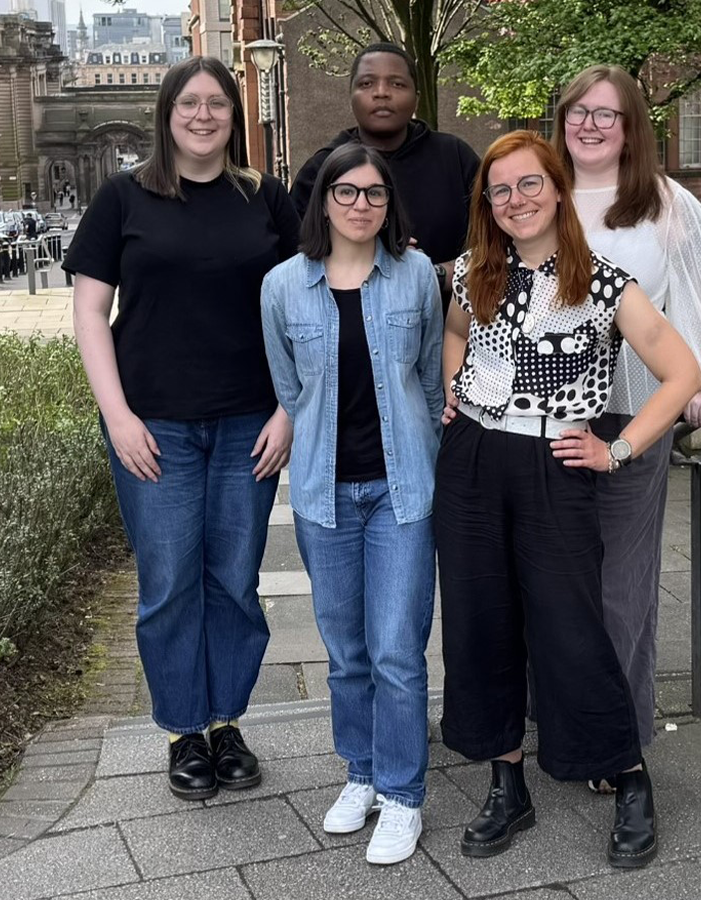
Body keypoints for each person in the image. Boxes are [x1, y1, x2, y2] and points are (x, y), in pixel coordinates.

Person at [435, 130, 700, 868]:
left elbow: (681, 374)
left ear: (556, 189)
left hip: (557, 461)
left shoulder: (605, 283)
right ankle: (505, 781)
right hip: (473, 463)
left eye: (529, 185)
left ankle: (627, 774)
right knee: (480, 623)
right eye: (500, 190)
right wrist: (455, 387)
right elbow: (456, 335)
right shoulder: (469, 274)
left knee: (571, 628)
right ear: (486, 203)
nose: (515, 200)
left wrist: (616, 449)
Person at [61, 56, 299, 803]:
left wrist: (289, 412)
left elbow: (308, 311)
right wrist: (118, 416)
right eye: (189, 103)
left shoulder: (267, 199)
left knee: (234, 583)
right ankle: (182, 731)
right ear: (167, 115)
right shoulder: (123, 197)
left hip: (246, 426)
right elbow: (89, 316)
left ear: (235, 115)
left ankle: (226, 722)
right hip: (153, 427)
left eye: (217, 104)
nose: (203, 116)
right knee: (168, 587)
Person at [553, 65, 701, 788]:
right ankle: (561, 719)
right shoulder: (540, 191)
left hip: (637, 414)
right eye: (579, 112)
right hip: (543, 418)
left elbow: (699, 290)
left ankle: (621, 739)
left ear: (631, 126)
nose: (592, 126)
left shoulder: (664, 203)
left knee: (621, 587)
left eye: (608, 114)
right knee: (552, 580)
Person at [260, 142, 444, 866]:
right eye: (347, 192)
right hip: (321, 495)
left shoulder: (418, 279)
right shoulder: (282, 287)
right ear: (324, 201)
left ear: (388, 204)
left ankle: (403, 795)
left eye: (374, 193)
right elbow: (288, 387)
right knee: (345, 654)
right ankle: (361, 774)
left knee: (398, 650)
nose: (361, 205)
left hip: (402, 496)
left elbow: (431, 385)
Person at [291, 42, 480, 311]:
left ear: (416, 96)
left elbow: (496, 243)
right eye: (367, 84)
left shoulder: (455, 157)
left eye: (397, 84)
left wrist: (432, 275)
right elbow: (299, 259)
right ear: (351, 95)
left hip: (448, 326)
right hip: (349, 328)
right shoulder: (321, 170)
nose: (381, 93)